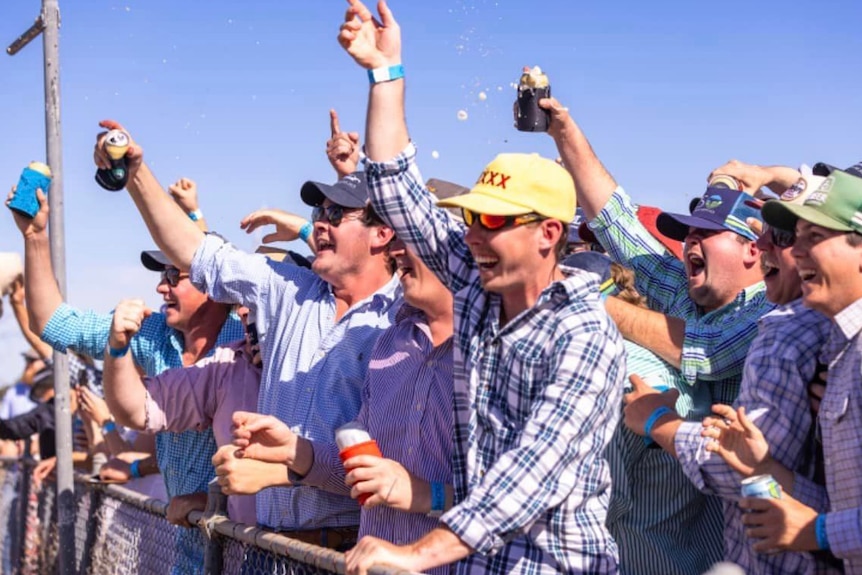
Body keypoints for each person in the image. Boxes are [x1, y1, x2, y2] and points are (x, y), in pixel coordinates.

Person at [338, 2, 627, 573]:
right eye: (470, 218)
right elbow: (398, 191)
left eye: (492, 221)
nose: (472, 234)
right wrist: (384, 73)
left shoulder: (584, 333)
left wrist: (414, 556)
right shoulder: (479, 284)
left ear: (548, 234)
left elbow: (530, 473)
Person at [93, 118, 401, 547]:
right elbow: (196, 252)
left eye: (336, 213)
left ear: (384, 234)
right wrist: (137, 174)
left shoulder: (406, 315)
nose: (320, 223)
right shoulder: (290, 289)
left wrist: (294, 461)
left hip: (353, 549)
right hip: (269, 546)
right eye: (317, 214)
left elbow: (394, 464)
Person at [8, 181, 243, 574]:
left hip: (254, 551)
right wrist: (35, 237)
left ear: (212, 283)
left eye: (174, 274)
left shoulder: (253, 338)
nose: (160, 285)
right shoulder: (151, 335)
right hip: (188, 550)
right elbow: (53, 323)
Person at [623, 162, 840, 573]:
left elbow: (734, 472)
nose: (768, 249)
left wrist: (657, 420)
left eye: (787, 237)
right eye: (768, 236)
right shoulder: (825, 335)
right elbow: (776, 483)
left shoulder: (783, 334)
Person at [540, 99, 773, 408]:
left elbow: (707, 353)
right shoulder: (682, 290)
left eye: (706, 233)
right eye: (689, 233)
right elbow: (615, 220)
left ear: (753, 248)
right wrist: (564, 132)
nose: (691, 240)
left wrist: (586, 299)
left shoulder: (772, 306)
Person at [705, 168, 862, 574]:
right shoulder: (840, 346)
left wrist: (821, 531)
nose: (799, 252)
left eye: (815, 238)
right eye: (799, 236)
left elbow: (825, 522)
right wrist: (765, 469)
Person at [102, 300, 261, 526]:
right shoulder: (228, 361)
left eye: (260, 301)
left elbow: (324, 475)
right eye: (243, 302)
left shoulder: (324, 366)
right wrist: (118, 348)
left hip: (298, 558)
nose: (244, 311)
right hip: (232, 556)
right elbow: (139, 409)